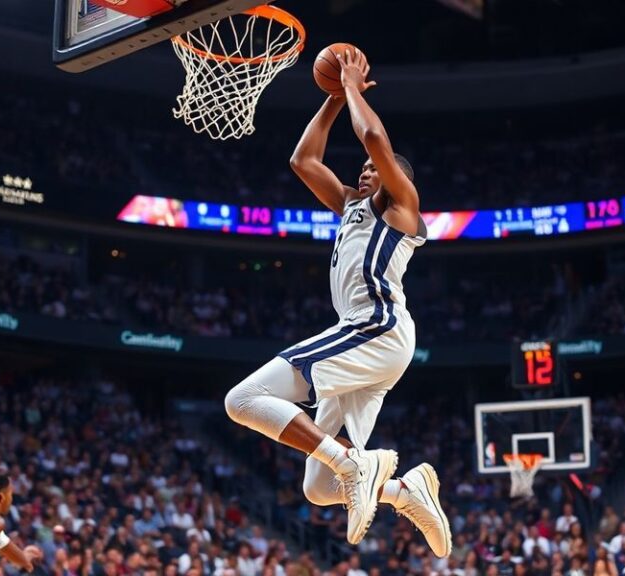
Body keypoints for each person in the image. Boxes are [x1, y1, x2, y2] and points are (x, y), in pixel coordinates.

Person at [224, 49, 451, 557]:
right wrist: (330, 100)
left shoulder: (404, 211)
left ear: (397, 180)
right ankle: (405, 491)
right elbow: (303, 161)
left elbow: (373, 138)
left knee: (240, 401)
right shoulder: (352, 206)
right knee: (318, 488)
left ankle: (356, 465)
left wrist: (350, 85)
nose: (367, 170)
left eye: (377, 170)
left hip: (377, 325)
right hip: (370, 340)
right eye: (364, 169)